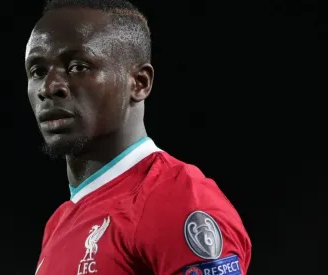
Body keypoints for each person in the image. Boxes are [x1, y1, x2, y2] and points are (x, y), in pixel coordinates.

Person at [25, 0, 252, 274]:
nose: (48, 88)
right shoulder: (59, 223)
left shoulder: (179, 200)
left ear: (139, 82)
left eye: (78, 66)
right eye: (37, 71)